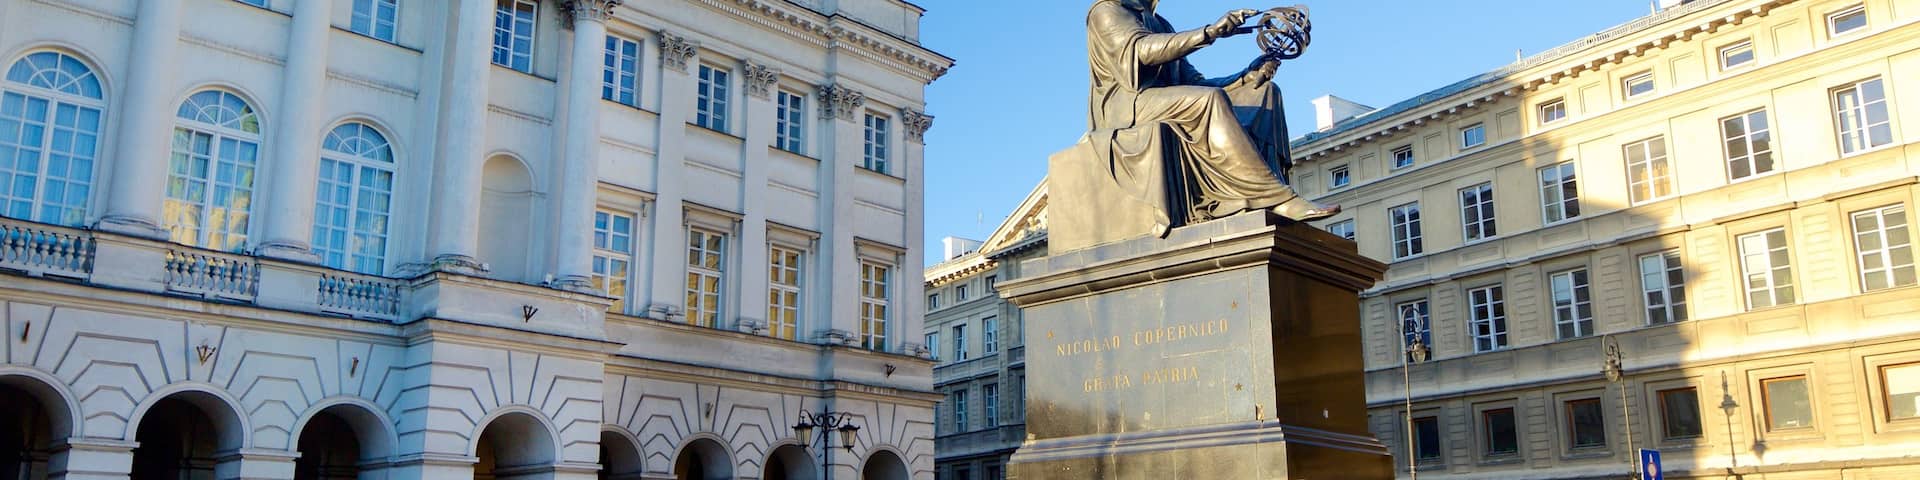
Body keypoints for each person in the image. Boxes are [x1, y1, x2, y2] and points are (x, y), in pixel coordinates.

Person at [1085, 0, 1338, 232]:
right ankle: (1277, 197)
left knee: (1264, 91)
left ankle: (1260, 199)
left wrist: (1244, 78)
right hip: (1128, 104)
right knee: (1208, 101)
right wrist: (1210, 32)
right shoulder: (1107, 10)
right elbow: (1143, 50)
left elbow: (1196, 82)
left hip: (1164, 100)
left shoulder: (1161, 23)